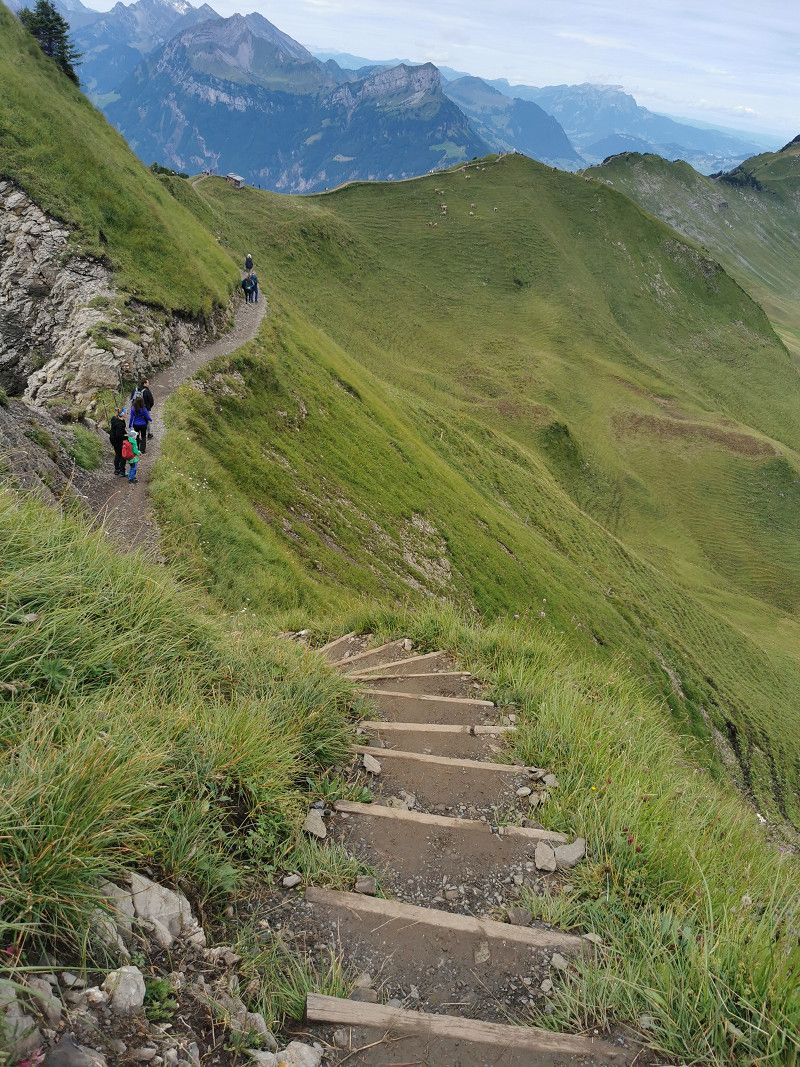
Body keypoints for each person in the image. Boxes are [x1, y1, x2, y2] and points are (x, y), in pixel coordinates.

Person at [108, 406, 127, 476]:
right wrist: (127, 436)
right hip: (118, 441)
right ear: (122, 415)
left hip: (113, 439)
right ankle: (122, 471)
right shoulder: (120, 424)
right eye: (126, 413)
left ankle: (116, 469)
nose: (127, 414)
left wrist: (125, 433)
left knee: (117, 454)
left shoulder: (114, 419)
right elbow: (119, 435)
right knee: (122, 455)